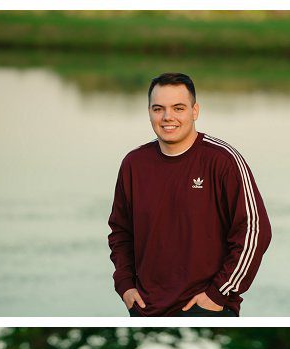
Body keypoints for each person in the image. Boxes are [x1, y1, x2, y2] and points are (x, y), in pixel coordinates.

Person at [107, 72, 272, 317]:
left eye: (178, 108)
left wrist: (218, 294)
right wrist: (125, 285)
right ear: (149, 112)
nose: (167, 117)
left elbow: (254, 232)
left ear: (195, 111)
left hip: (206, 308)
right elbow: (121, 232)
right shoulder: (134, 163)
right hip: (145, 309)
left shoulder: (222, 160)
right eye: (158, 109)